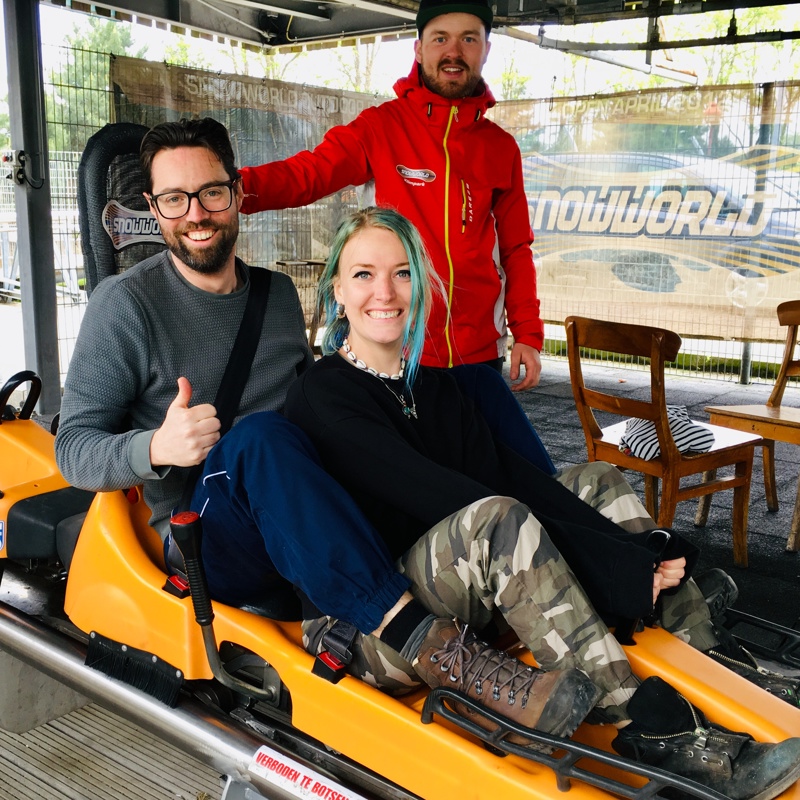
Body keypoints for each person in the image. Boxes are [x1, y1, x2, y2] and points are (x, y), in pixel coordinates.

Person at [54, 116, 604, 749]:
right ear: (155, 209)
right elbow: (74, 448)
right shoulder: (125, 305)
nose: (196, 212)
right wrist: (155, 447)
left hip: (307, 524)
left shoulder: (277, 295)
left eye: (210, 192)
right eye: (174, 199)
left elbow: (321, 402)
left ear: (236, 193)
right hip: (211, 534)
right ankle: (428, 646)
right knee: (263, 438)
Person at [283, 205, 800, 800]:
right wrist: (612, 565)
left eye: (402, 273)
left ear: (422, 286)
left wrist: (638, 550)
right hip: (379, 627)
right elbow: (447, 499)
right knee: (497, 521)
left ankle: (710, 654)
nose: (385, 292)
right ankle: (644, 726)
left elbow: (516, 476)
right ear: (336, 291)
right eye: (364, 275)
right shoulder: (325, 394)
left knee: (595, 480)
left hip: (458, 592)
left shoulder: (431, 385)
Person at [237, 0, 543, 391]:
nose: (454, 52)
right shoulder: (381, 127)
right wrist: (232, 189)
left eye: (469, 39)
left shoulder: (501, 148)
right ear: (419, 49)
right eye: (440, 38)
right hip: (399, 343)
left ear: (485, 49)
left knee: (478, 453)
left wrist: (529, 335)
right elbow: (308, 173)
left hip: (480, 351)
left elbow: (516, 248)